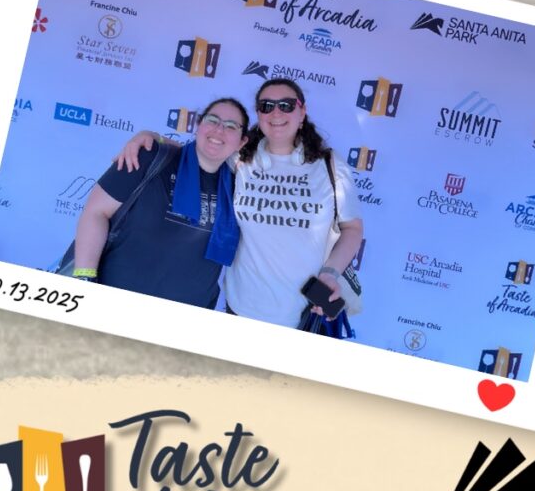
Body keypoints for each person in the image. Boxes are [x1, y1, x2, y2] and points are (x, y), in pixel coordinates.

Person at [117, 78, 363, 329]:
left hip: (305, 312)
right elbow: (201, 150)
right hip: (241, 308)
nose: (276, 112)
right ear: (259, 114)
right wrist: (149, 137)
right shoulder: (242, 158)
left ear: (302, 111)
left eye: (286, 105)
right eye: (267, 105)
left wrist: (330, 274)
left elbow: (352, 229)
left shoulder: (329, 164)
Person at [71, 98, 248, 309]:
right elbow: (96, 212)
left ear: (242, 141)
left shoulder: (241, 188)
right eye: (213, 120)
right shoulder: (148, 157)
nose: (219, 130)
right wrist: (84, 279)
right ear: (198, 125)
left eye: (230, 126)